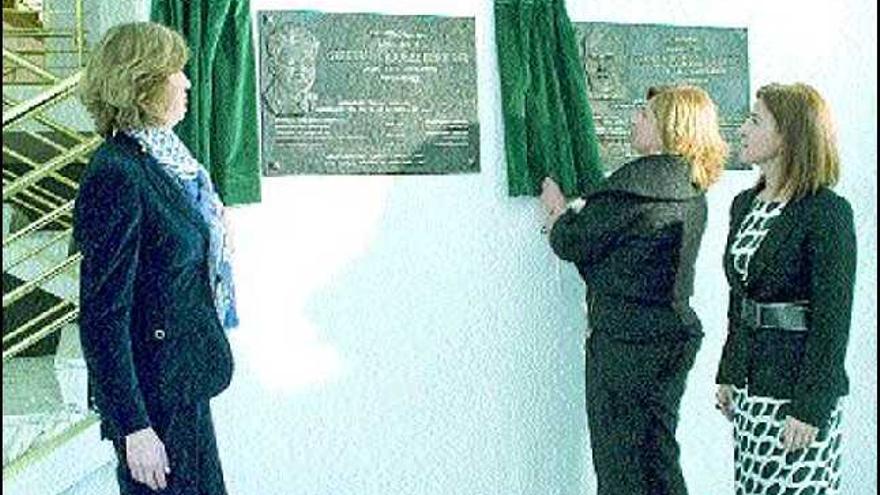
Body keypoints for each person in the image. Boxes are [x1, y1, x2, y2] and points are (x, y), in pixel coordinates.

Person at [74, 22, 238, 494]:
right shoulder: (118, 172)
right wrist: (133, 427)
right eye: (175, 73)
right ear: (141, 82)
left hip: (182, 386)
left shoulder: (166, 162)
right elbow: (103, 315)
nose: (186, 82)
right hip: (154, 404)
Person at [541, 85, 727, 494]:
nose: (634, 119)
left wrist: (555, 213)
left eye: (644, 114)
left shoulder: (637, 184)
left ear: (668, 127)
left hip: (627, 344)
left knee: (620, 465)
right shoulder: (690, 183)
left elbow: (574, 240)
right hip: (671, 335)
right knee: (658, 459)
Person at [714, 83, 855, 494]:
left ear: (788, 136)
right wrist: (728, 370)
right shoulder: (744, 204)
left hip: (797, 395)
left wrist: (811, 407)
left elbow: (833, 321)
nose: (742, 129)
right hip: (749, 387)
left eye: (755, 120)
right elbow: (739, 298)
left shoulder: (827, 213)